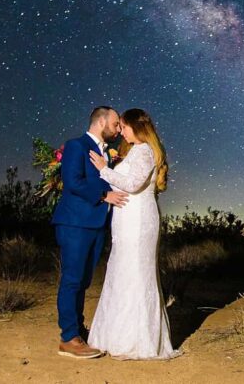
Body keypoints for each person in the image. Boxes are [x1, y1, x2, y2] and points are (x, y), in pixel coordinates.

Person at [87, 108, 180, 360]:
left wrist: (104, 169)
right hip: (126, 219)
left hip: (138, 220)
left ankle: (137, 342)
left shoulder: (145, 150)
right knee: (122, 271)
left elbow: (133, 184)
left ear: (137, 127)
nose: (121, 132)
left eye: (124, 126)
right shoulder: (135, 151)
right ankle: (116, 336)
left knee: (136, 273)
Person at [51, 106, 129, 359]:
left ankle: (77, 329)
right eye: (116, 124)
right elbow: (73, 181)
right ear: (102, 121)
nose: (118, 130)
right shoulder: (76, 145)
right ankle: (68, 338)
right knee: (72, 279)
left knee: (83, 281)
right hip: (75, 223)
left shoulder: (107, 153)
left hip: (96, 225)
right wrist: (105, 195)